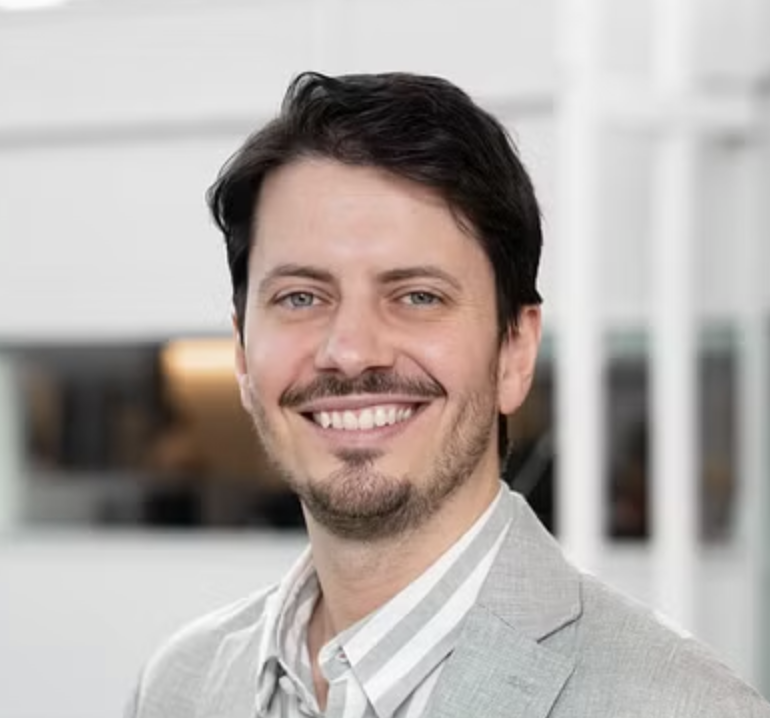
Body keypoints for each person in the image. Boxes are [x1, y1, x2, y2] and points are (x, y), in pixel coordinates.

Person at [125, 72, 770, 717]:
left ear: (515, 350)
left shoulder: (684, 707)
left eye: (417, 296)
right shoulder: (180, 685)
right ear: (242, 353)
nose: (351, 351)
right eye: (300, 297)